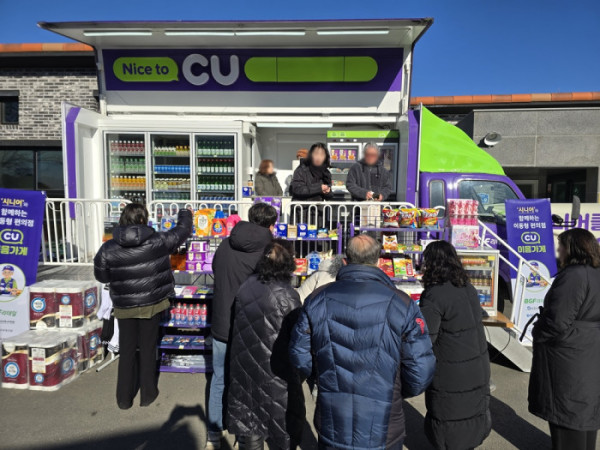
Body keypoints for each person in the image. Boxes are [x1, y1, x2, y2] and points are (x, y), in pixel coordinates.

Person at [289, 235, 435, 449]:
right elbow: (421, 370)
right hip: (384, 425)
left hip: (334, 420)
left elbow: (299, 355)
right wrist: (394, 391)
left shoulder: (317, 299)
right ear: (379, 262)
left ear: (345, 261)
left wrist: (323, 377)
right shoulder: (402, 303)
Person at [93, 204, 193, 409]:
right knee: (148, 348)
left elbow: (101, 275)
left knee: (127, 350)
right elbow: (181, 232)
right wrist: (185, 212)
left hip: (124, 306)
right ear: (142, 219)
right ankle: (148, 394)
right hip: (151, 304)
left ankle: (124, 398)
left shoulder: (108, 247)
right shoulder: (157, 240)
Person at [208, 202, 278, 449]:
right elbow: (269, 286)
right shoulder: (268, 250)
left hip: (221, 322)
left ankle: (213, 435)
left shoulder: (226, 243)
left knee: (219, 378)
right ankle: (243, 436)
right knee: (247, 384)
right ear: (271, 225)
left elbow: (216, 270)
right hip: (249, 326)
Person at [227, 241, 304, 450]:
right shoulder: (287, 294)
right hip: (276, 371)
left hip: (244, 366)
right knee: (282, 426)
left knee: (250, 421)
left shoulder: (246, 285)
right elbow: (298, 338)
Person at [529, 228, 600, 450]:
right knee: (585, 413)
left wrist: (538, 332)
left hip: (568, 355)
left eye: (561, 246)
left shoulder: (573, 275)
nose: (559, 251)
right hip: (589, 347)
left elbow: (557, 321)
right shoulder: (595, 272)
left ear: (572, 248)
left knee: (566, 412)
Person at [419, 240, 491, 450]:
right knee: (470, 415)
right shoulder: (467, 287)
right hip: (476, 366)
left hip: (450, 372)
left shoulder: (434, 295)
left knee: (450, 418)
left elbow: (426, 339)